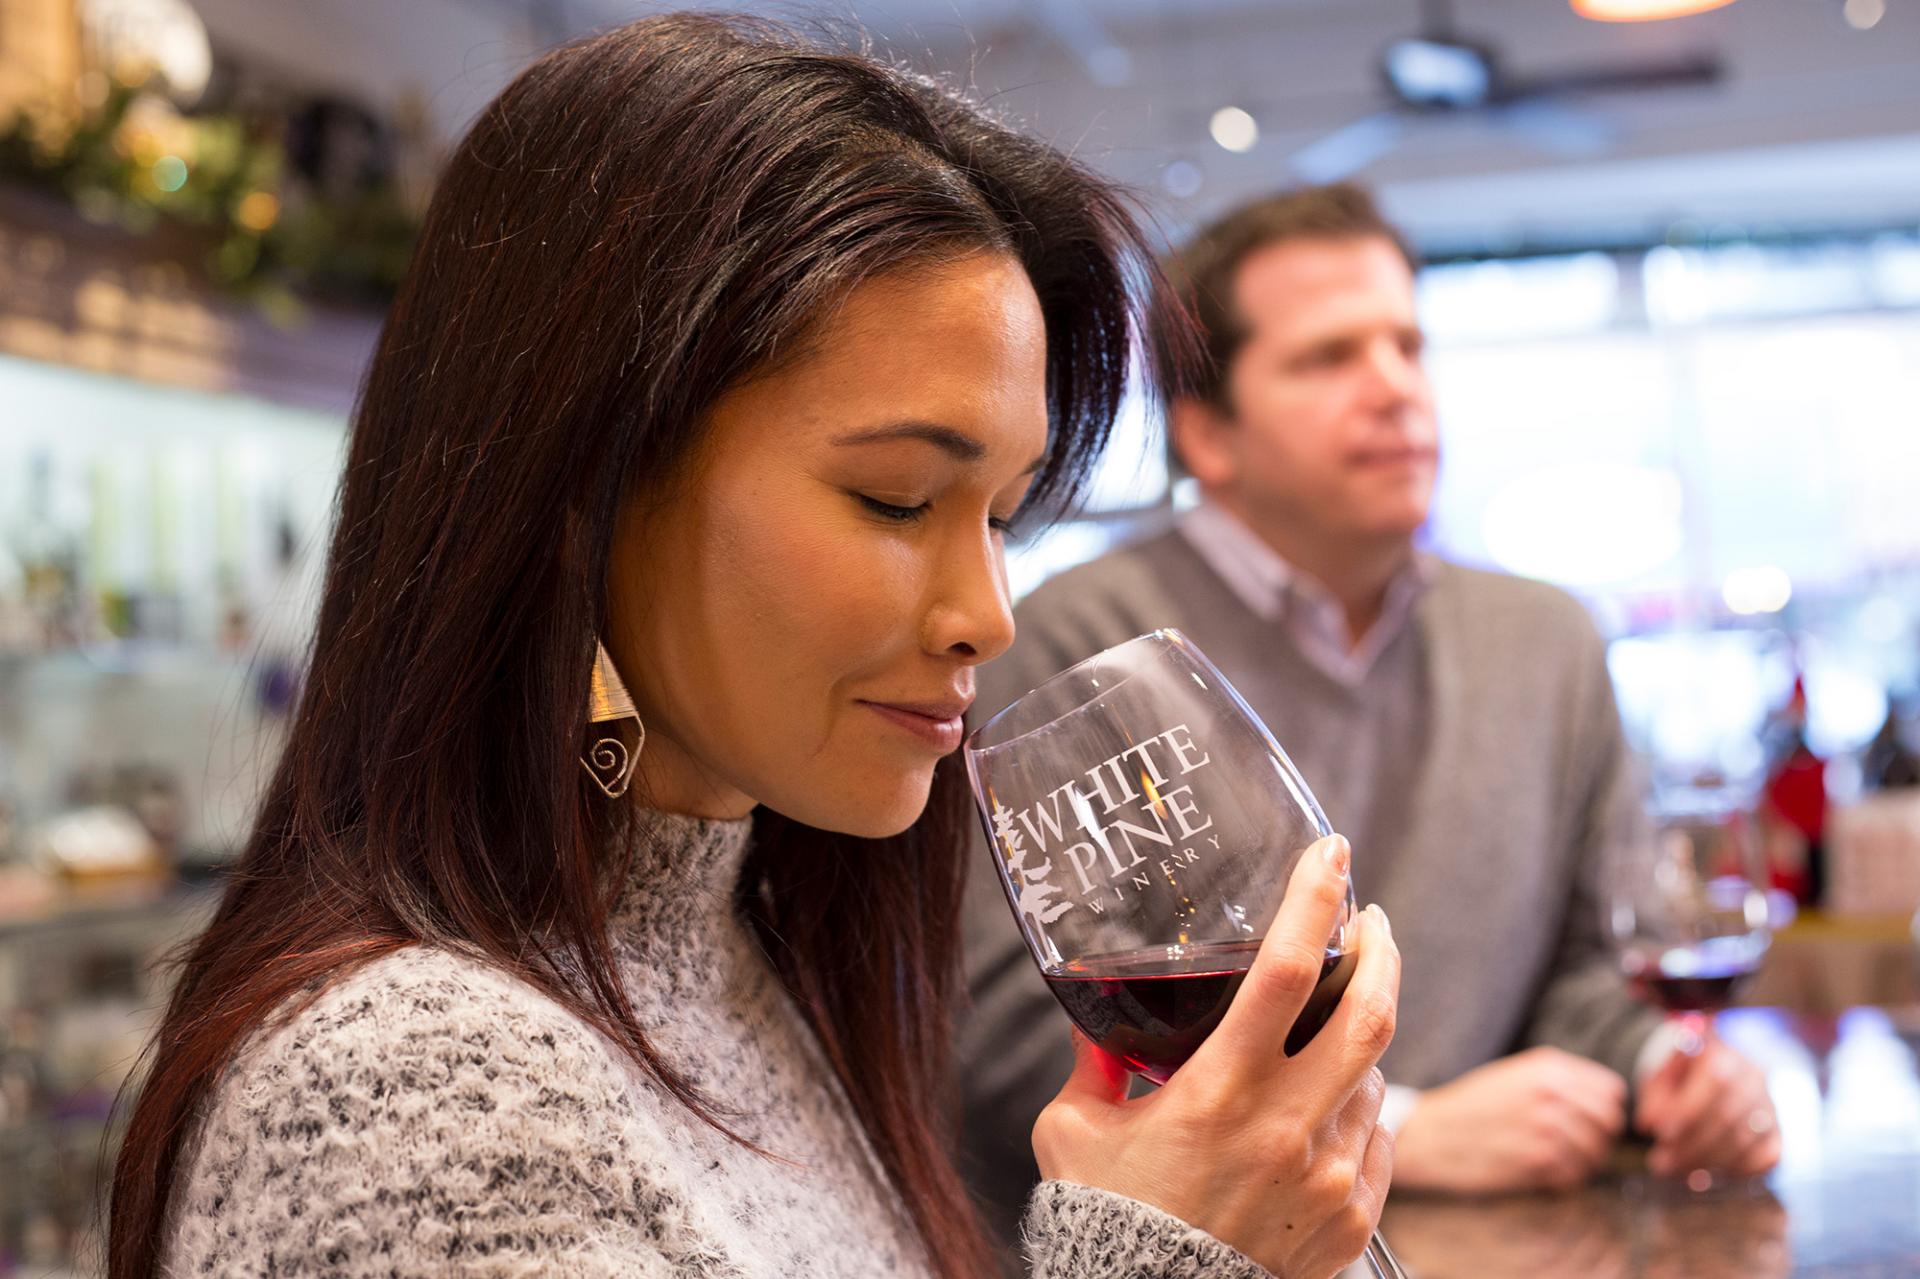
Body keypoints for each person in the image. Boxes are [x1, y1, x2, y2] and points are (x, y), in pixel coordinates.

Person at [108, 19, 1400, 1279]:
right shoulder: (406, 1085)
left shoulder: (744, 966)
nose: (989, 613)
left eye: (1002, 515)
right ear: (579, 493)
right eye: (897, 497)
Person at [959, 183, 1776, 1252]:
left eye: (1407, 345)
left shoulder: (1547, 641)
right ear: (1207, 432)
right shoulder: (1072, 644)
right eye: (1330, 357)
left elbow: (1584, 973)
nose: (1395, 388)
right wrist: (1403, 1123)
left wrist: (1665, 1064)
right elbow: (1005, 1036)